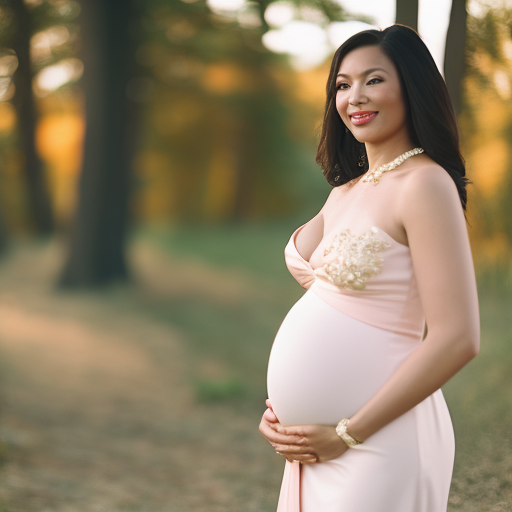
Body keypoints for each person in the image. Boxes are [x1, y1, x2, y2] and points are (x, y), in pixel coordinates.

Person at [259, 24, 480, 512]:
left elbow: (457, 337)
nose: (354, 96)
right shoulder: (346, 190)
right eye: (343, 84)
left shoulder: (424, 185)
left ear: (412, 87)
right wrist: (280, 412)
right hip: (312, 449)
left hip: (378, 441)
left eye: (373, 80)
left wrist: (346, 433)